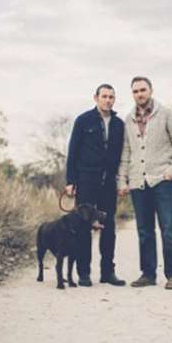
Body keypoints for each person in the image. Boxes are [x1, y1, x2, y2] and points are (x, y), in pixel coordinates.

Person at [117, 76, 172, 290]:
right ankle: (147, 274)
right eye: (136, 91)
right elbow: (126, 151)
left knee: (168, 228)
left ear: (151, 90)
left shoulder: (165, 114)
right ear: (132, 94)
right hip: (139, 183)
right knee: (144, 231)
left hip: (162, 181)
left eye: (143, 90)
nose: (140, 94)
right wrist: (122, 180)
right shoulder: (128, 119)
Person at [65, 84, 126, 287]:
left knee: (108, 227)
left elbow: (122, 154)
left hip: (108, 182)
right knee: (84, 227)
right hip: (86, 181)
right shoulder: (83, 120)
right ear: (96, 98)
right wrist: (70, 181)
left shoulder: (119, 124)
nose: (108, 100)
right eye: (104, 96)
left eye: (111, 97)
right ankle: (84, 273)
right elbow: (72, 151)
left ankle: (108, 272)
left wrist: (121, 179)